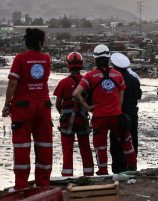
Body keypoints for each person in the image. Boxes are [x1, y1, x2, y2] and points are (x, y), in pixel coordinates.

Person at [2, 28, 53, 192]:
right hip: (43, 107)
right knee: (44, 145)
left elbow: (12, 83)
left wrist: (6, 104)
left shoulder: (20, 59)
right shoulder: (46, 59)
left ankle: (21, 186)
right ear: (40, 43)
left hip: (23, 107)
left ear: (26, 42)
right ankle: (43, 184)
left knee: (22, 146)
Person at [73, 44, 137, 175]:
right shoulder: (118, 75)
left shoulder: (90, 76)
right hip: (116, 115)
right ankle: (132, 167)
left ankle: (103, 170)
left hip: (99, 116)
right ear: (108, 59)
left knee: (100, 145)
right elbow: (121, 97)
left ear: (95, 59)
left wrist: (88, 107)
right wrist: (116, 110)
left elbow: (76, 93)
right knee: (126, 142)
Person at [53, 52, 94, 177]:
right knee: (85, 148)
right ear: (81, 65)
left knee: (67, 149)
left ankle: (67, 176)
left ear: (68, 65)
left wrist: (64, 114)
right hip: (82, 118)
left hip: (67, 119)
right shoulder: (87, 81)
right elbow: (90, 100)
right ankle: (89, 175)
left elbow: (58, 104)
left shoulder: (63, 83)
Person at [109, 53, 142, 173]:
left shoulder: (116, 79)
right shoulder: (134, 79)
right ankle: (132, 167)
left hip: (120, 115)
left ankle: (119, 169)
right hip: (133, 114)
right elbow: (139, 96)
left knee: (117, 144)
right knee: (133, 142)